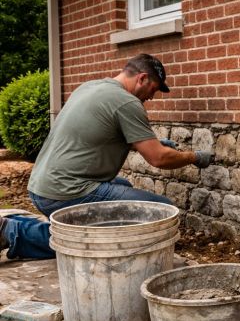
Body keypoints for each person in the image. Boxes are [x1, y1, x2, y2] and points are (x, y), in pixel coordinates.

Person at [0, 53, 213, 260]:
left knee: (124, 186)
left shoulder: (90, 87)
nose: (151, 97)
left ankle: (40, 225)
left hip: (41, 185)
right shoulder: (127, 102)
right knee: (160, 212)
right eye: (153, 89)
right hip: (64, 192)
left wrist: (150, 143)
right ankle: (12, 231)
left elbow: (100, 136)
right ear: (142, 78)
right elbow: (159, 159)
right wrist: (194, 157)